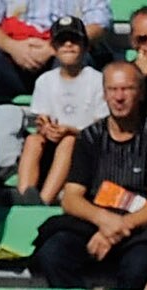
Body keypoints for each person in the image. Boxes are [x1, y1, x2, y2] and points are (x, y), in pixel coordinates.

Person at [30, 62, 147, 289]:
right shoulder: (89, 138)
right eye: (112, 90)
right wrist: (105, 221)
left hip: (139, 226)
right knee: (53, 253)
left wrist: (117, 229)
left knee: (140, 265)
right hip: (94, 221)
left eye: (126, 89)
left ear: (140, 93)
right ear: (104, 94)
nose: (119, 97)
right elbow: (72, 198)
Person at [20, 19, 108, 198]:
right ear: (53, 48)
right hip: (54, 143)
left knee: (69, 141)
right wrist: (46, 128)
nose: (68, 45)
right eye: (62, 41)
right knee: (33, 141)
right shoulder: (45, 81)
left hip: (85, 146)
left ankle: (44, 199)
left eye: (74, 40)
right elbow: (41, 118)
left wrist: (71, 131)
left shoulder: (97, 80)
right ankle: (25, 195)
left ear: (85, 46)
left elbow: (101, 127)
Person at [0, 0, 111, 105]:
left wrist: (53, 48)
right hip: (12, 59)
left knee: (72, 57)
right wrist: (13, 47)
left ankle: (62, 130)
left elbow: (100, 24)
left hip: (60, 56)